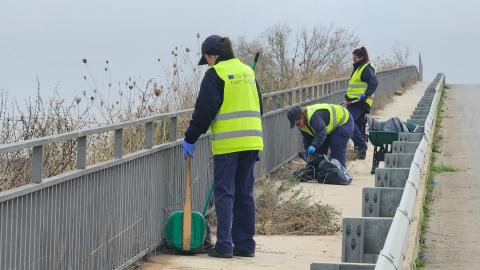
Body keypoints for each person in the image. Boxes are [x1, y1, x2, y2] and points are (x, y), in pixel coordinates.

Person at [181, 35, 263, 258]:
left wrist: (190, 138)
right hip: (253, 140)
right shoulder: (248, 71)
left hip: (229, 143)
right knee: (245, 193)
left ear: (211, 55)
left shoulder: (215, 74)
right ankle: (245, 246)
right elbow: (260, 106)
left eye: (206, 58)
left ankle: (225, 245)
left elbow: (204, 112)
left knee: (224, 193)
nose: (206, 63)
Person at [287, 103, 354, 167]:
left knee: (336, 148)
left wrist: (313, 146)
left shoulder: (313, 117)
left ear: (301, 116)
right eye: (295, 124)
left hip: (344, 122)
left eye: (298, 123)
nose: (298, 125)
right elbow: (307, 137)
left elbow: (321, 133)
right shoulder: (302, 124)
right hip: (329, 128)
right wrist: (308, 151)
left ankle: (340, 175)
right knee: (319, 152)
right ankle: (319, 172)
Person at [345, 47, 378, 159]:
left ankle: (361, 145)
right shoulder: (359, 68)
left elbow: (374, 83)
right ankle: (360, 153)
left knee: (347, 121)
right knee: (359, 125)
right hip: (353, 101)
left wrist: (366, 94)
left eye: (355, 58)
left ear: (361, 57)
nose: (353, 61)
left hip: (360, 102)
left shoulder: (366, 69)